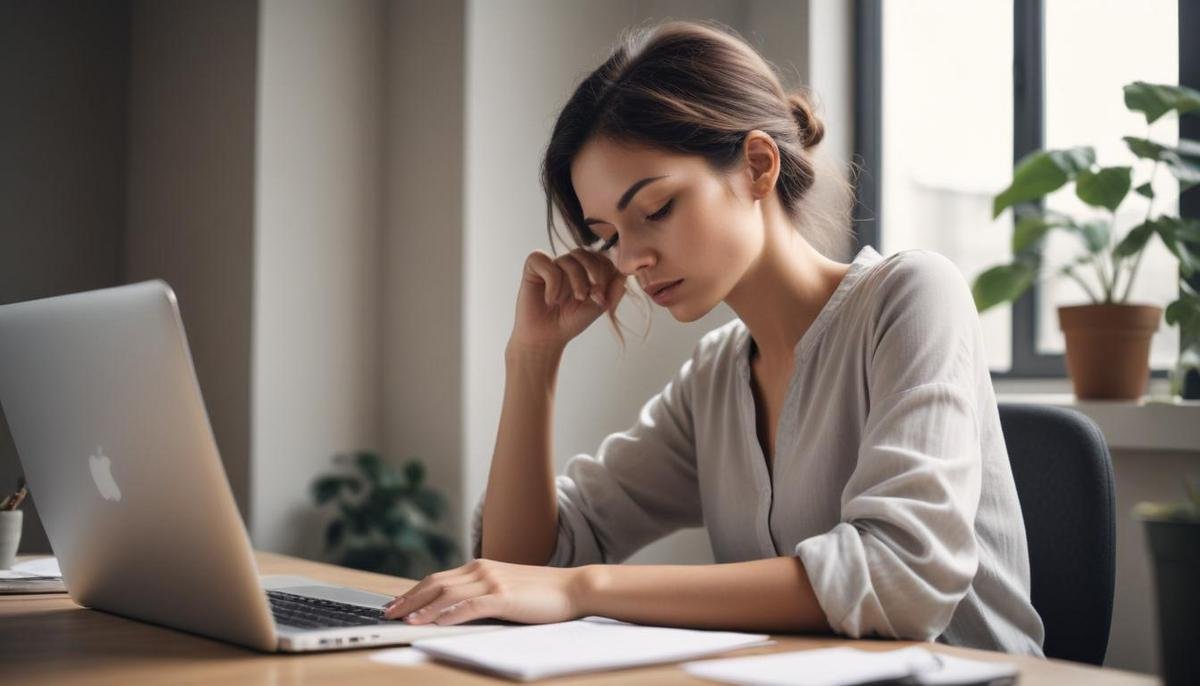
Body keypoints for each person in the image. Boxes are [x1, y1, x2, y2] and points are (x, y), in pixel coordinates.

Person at [382, 19, 1046, 656]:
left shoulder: (911, 297)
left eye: (655, 210)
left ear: (758, 166)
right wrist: (534, 357)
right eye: (608, 236)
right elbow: (522, 565)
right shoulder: (716, 380)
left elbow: (902, 576)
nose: (630, 259)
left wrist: (582, 588)